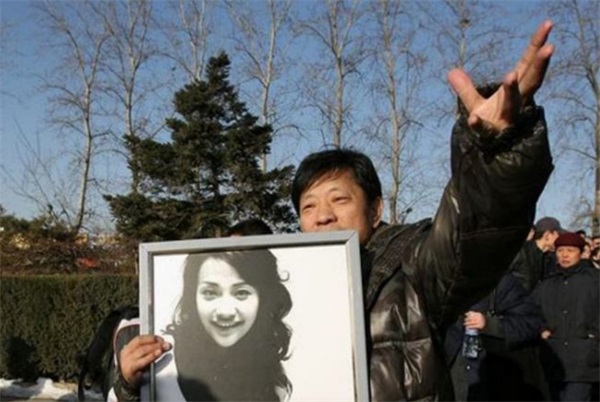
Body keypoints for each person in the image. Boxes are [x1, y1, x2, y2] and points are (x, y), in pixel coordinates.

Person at [110, 20, 555, 402]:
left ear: (375, 209)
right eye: (308, 206)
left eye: (339, 200)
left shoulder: (414, 267)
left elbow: (477, 228)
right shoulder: (289, 287)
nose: (322, 216)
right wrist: (133, 386)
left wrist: (498, 148)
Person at [155, 250, 293, 401]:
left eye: (241, 293)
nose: (225, 312)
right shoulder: (162, 362)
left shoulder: (271, 372)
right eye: (210, 293)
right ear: (193, 298)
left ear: (262, 300)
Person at [444, 273, 549, 401]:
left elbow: (532, 323)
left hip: (493, 379)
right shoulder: (442, 280)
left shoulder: (501, 283)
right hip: (451, 379)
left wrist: (490, 324)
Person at [533, 232, 599, 401]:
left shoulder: (594, 280)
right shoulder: (546, 283)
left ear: (581, 253)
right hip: (553, 357)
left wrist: (594, 335)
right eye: (561, 250)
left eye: (570, 250)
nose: (565, 255)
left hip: (584, 357)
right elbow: (532, 312)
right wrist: (541, 330)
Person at [509, 216, 563, 292]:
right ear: (547, 235)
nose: (560, 239)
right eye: (558, 235)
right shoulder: (521, 251)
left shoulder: (550, 259)